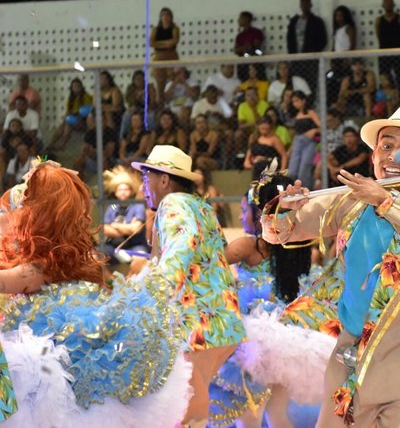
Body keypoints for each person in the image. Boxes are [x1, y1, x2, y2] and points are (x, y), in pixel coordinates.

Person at [263, 104, 400, 427]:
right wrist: (284, 209)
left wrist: (388, 202)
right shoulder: (349, 201)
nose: (394, 157)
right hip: (349, 362)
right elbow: (279, 232)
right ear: (373, 155)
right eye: (386, 147)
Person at [0, 159, 191, 427]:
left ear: (34, 220)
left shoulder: (34, 270)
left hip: (47, 371)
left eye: (16, 212)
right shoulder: (68, 263)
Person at [133, 145, 248, 428]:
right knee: (191, 402)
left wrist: (150, 297)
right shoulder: (201, 207)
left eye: (147, 178)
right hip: (220, 324)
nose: (143, 186)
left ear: (164, 180)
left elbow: (180, 251)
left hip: (199, 326)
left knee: (188, 407)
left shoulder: (173, 204)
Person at [208, 167, 313, 428]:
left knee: (250, 415)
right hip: (286, 339)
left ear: (261, 215)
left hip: (252, 342)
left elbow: (211, 260)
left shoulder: (249, 245)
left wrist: (209, 228)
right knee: (276, 414)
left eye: (245, 210)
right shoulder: (294, 249)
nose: (242, 216)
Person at [99, 166, 148, 264]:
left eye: (126, 189)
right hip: (113, 246)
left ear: (131, 191)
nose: (123, 192)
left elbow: (136, 229)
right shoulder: (111, 207)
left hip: (135, 246)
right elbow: (105, 229)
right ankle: (110, 279)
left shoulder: (137, 206)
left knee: (141, 258)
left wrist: (115, 225)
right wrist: (128, 228)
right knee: (93, 255)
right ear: (115, 193)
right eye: (120, 190)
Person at [286, 0, 327, 90]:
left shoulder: (317, 21)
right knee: (296, 82)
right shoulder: (294, 21)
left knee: (311, 83)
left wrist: (312, 52)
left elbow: (323, 40)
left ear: (310, 5)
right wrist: (291, 55)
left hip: (311, 59)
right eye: (302, 4)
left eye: (306, 4)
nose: (304, 6)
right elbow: (290, 40)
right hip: (296, 59)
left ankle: (309, 102)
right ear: (300, 6)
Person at [375, 0, 400, 102]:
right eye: (386, 3)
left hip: (398, 53)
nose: (388, 5)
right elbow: (378, 36)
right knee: (385, 80)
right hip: (384, 54)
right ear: (383, 5)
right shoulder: (379, 21)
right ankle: (387, 103)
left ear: (394, 5)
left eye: (390, 2)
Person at [287, 90, 320, 189]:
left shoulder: (310, 112)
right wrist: (290, 149)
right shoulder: (296, 114)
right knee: (292, 170)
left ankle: (307, 190)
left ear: (303, 100)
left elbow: (323, 127)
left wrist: (314, 130)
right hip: (297, 142)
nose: (295, 104)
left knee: (304, 169)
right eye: (293, 102)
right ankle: (293, 190)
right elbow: (296, 133)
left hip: (309, 142)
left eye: (297, 101)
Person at [150, 7, 180, 101]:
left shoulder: (174, 28)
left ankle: (170, 99)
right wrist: (166, 43)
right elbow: (151, 43)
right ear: (160, 17)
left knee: (172, 77)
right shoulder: (155, 29)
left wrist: (159, 44)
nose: (165, 17)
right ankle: (160, 99)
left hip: (171, 55)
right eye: (163, 15)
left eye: (167, 15)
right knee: (159, 80)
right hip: (159, 56)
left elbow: (174, 41)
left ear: (171, 17)